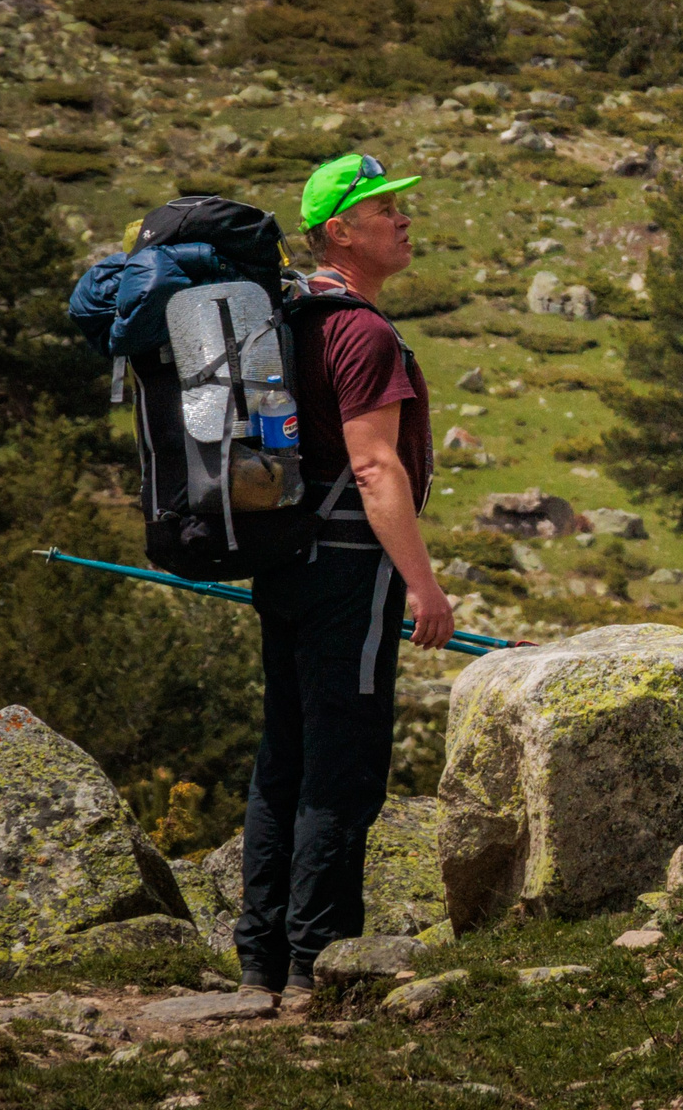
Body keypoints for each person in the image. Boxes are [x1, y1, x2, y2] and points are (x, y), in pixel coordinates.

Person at [235, 153, 458, 1006]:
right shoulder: (360, 331)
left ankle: (261, 958)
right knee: (344, 761)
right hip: (349, 569)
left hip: (285, 558)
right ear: (340, 231)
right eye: (383, 207)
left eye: (401, 203)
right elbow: (374, 470)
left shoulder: (292, 321)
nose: (403, 217)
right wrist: (424, 588)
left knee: (283, 754)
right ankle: (317, 963)